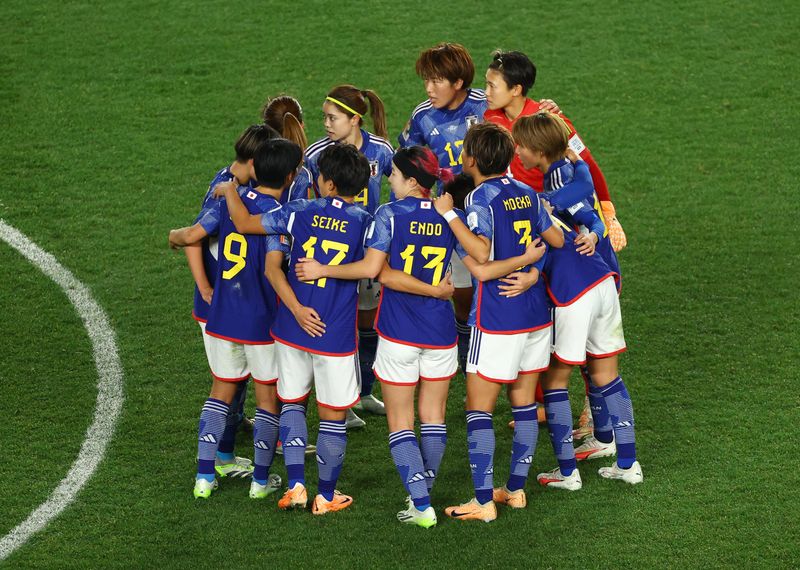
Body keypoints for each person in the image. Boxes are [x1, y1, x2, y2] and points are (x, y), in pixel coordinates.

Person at [218, 143, 373, 515]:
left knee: (292, 404)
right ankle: (327, 495)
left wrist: (228, 191)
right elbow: (372, 270)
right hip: (333, 334)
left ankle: (296, 486)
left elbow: (244, 224)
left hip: (291, 326)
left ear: (330, 185)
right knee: (333, 414)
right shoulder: (367, 222)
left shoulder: (297, 211)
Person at [398, 43, 562, 372]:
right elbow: (410, 160)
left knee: (498, 280)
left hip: (499, 210)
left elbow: (527, 118)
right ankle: (468, 352)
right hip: (454, 214)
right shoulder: (421, 116)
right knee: (461, 291)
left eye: (436, 81)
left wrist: (547, 110)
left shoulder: (486, 104)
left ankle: (502, 354)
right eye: (425, 81)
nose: (429, 89)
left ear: (458, 82)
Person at [431, 122, 565, 522]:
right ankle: (516, 491)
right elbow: (553, 240)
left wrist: (450, 216)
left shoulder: (477, 199)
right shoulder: (527, 192)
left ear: (470, 159)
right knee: (523, 405)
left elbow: (483, 255)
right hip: (535, 317)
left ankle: (483, 501)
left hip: (496, 320)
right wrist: (531, 265)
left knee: (478, 411)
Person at [512, 112, 643, 488]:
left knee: (554, 381)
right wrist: (596, 230)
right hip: (602, 282)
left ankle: (567, 473)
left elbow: (554, 217)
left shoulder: (543, 192)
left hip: (574, 292)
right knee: (607, 375)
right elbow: (588, 202)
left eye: (520, 145)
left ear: (537, 150)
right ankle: (627, 463)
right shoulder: (570, 174)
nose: (517, 151)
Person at [169, 138, 305, 499]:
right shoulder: (277, 217)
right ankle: (260, 482)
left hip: (223, 316)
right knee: (266, 402)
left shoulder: (227, 200)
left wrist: (173, 236)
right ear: (291, 176)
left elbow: (194, 235)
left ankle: (203, 477)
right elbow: (276, 268)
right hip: (262, 321)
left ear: (255, 169)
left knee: (219, 394)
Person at [180, 124, 277, 482]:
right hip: (229, 305)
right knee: (233, 384)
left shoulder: (230, 184)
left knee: (229, 382)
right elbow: (193, 239)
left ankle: (215, 462)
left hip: (229, 302)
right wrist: (205, 287)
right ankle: (226, 456)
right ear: (254, 162)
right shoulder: (227, 195)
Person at [304, 84, 394, 425]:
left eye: (333, 118)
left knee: (367, 321)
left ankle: (365, 390)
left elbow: (401, 182)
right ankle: (338, 405)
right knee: (337, 323)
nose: (326, 124)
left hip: (369, 251)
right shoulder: (315, 155)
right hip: (330, 253)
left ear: (355, 119)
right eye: (324, 117)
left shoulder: (382, 150)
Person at [483, 49, 627, 252]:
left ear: (516, 89)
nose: (486, 92)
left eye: (492, 86)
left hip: (555, 212)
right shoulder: (491, 117)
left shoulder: (550, 120)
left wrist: (608, 210)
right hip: (517, 211)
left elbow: (586, 162)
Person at [262, 95, 316, 203]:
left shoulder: (252, 162)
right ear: (301, 126)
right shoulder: (303, 171)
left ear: (265, 128)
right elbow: (299, 215)